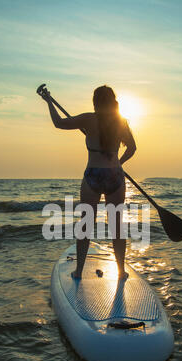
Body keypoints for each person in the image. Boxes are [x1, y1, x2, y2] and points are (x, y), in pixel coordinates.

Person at [39, 85, 137, 280]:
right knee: (117, 226)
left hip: (93, 175)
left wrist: (49, 101)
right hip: (115, 176)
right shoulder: (121, 122)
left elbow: (59, 123)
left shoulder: (88, 119)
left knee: (86, 226)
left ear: (96, 102)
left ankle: (78, 272)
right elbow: (132, 148)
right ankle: (121, 272)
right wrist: (119, 163)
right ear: (113, 101)